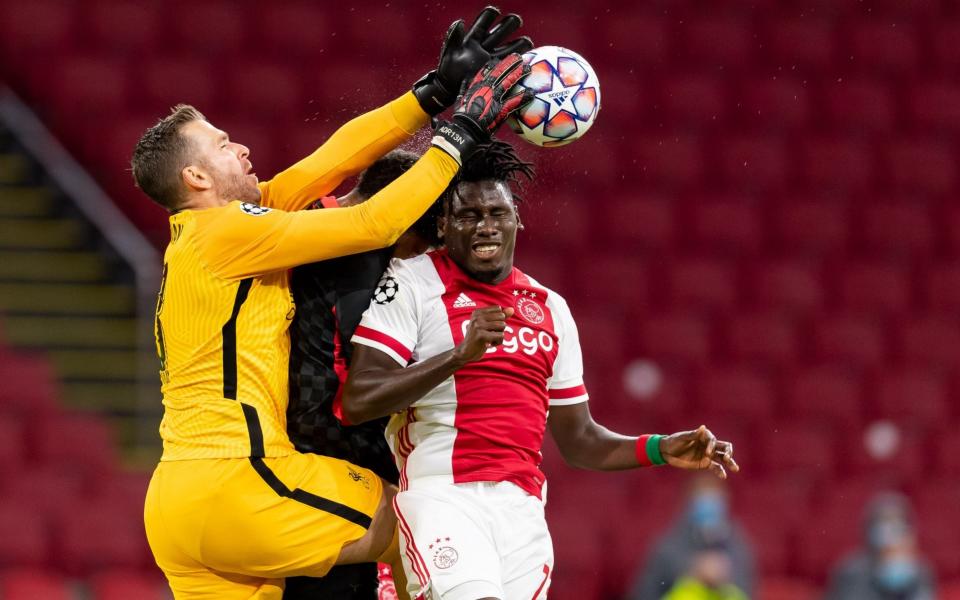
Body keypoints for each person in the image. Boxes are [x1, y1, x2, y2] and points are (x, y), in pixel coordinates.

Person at [134, 7, 534, 597]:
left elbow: (333, 161)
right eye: (223, 145)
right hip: (238, 479)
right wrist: (462, 130)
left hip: (174, 504)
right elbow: (375, 222)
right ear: (196, 178)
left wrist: (434, 91)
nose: (241, 147)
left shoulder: (206, 239)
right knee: (421, 519)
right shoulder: (228, 233)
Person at [341, 140, 740, 600]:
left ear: (518, 220)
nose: (485, 227)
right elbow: (359, 399)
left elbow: (579, 440)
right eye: (469, 216)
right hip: (443, 494)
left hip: (522, 512)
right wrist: (458, 356)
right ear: (444, 225)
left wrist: (659, 448)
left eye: (497, 213)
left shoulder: (551, 309)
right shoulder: (412, 282)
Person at [284, 149, 439, 599]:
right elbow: (360, 384)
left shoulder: (301, 216)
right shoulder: (362, 252)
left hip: (290, 447)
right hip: (331, 451)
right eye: (419, 241)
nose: (414, 257)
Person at [628, 476, 755, 600]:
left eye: (714, 499)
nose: (709, 507)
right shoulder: (668, 543)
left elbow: (747, 585)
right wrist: (691, 572)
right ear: (688, 503)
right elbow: (646, 590)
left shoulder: (736, 542)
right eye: (702, 500)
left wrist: (724, 577)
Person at [824, 493, 936, 600]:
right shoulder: (850, 570)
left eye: (897, 524)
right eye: (883, 523)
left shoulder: (921, 570)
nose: (890, 532)